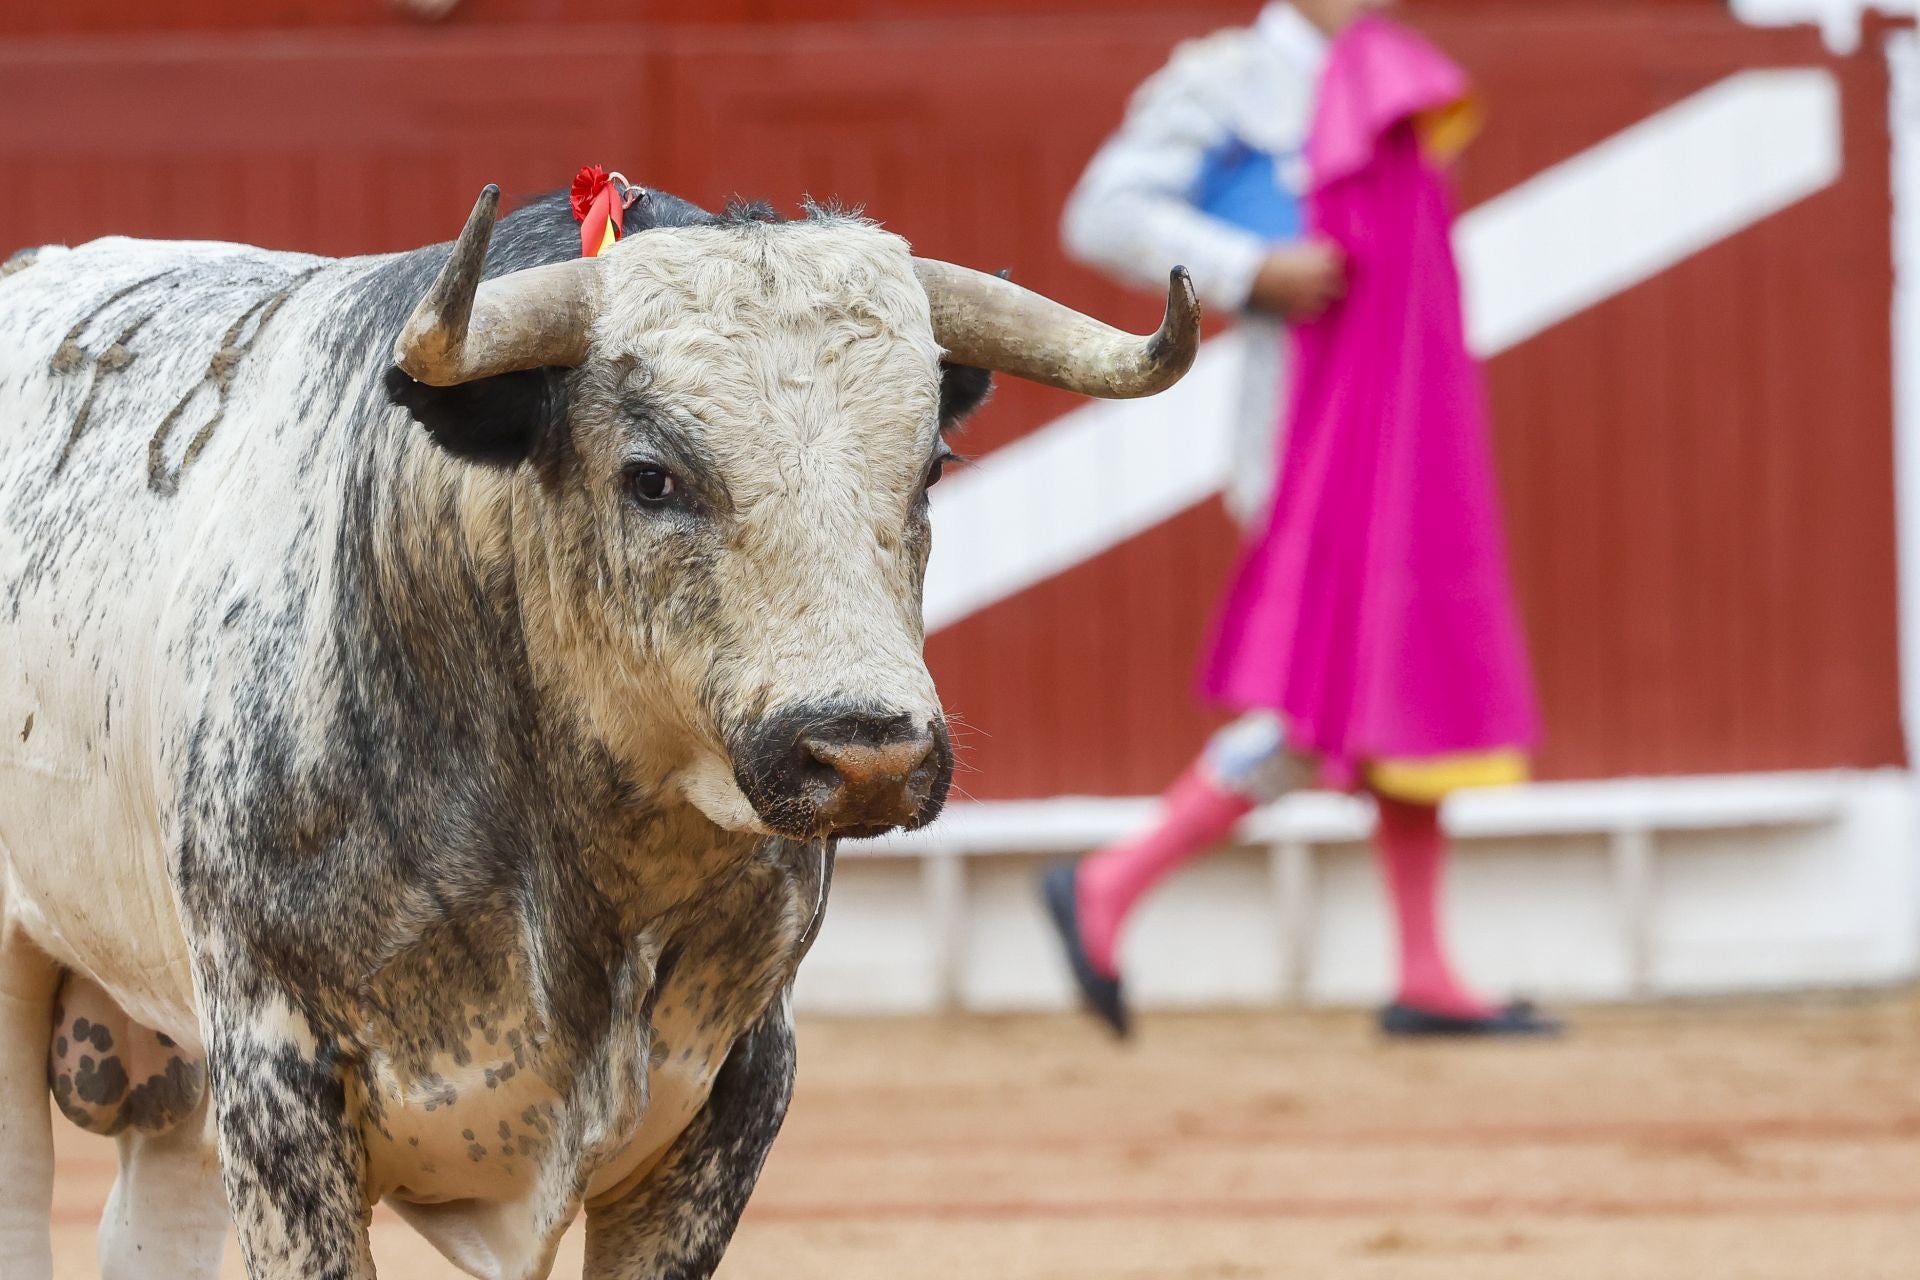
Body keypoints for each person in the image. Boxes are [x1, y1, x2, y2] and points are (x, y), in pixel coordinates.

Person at [1043, 0, 1557, 1039]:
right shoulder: (1230, 78)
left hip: (1394, 426)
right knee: (1325, 692)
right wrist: (1247, 269)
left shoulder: (1392, 72)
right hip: (1304, 436)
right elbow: (1102, 212)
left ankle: (1422, 966)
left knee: (1401, 671)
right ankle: (1112, 879)